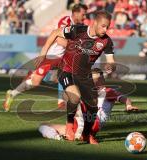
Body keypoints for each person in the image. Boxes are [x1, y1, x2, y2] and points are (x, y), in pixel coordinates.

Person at [42, 10, 116, 144]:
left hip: (84, 75)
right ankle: (69, 125)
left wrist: (111, 66)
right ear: (95, 23)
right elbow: (55, 33)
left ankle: (87, 135)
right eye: (103, 26)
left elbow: (111, 61)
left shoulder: (106, 41)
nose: (105, 30)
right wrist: (43, 53)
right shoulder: (77, 30)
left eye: (107, 27)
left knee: (93, 107)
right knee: (74, 96)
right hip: (66, 70)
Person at [3, 4, 87, 112]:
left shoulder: (80, 27)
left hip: (62, 58)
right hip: (52, 56)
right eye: (83, 14)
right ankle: (12, 93)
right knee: (36, 82)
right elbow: (59, 40)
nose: (85, 17)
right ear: (75, 13)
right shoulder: (66, 21)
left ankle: (62, 102)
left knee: (66, 76)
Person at [38, 68, 138, 141]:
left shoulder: (107, 91)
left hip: (93, 121)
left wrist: (128, 105)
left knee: (74, 98)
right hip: (89, 123)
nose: (95, 81)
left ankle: (78, 131)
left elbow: (124, 99)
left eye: (97, 79)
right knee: (43, 125)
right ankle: (61, 136)